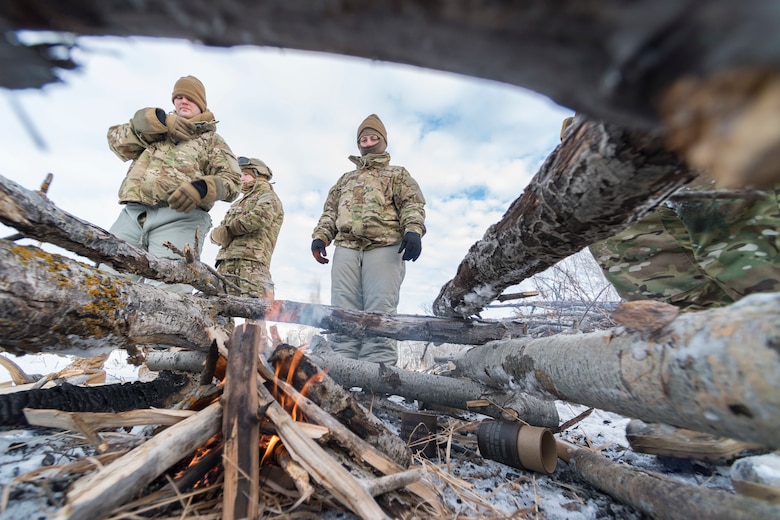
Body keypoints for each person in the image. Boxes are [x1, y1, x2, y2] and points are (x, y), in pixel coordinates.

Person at [562, 115, 780, 458]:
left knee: (737, 227)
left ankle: (768, 385)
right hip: (605, 109)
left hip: (703, 89)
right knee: (632, 239)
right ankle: (717, 394)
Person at [104, 75, 241, 294]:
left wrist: (202, 188)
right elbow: (115, 140)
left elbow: (232, 182)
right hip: (133, 215)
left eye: (190, 98)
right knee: (107, 281)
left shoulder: (213, 141)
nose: (183, 101)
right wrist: (156, 121)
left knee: (168, 292)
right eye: (178, 97)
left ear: (201, 104)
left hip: (180, 218)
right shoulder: (156, 131)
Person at [311, 114, 426, 365]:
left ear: (383, 141)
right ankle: (341, 368)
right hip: (347, 248)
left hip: (384, 248)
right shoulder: (345, 179)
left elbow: (412, 204)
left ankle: (377, 376)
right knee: (342, 311)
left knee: (379, 310)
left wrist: (413, 231)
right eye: (364, 138)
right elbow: (330, 211)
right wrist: (320, 237)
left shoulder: (398, 174)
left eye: (374, 137)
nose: (369, 142)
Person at [210, 157, 284, 300]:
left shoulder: (269, 196)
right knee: (220, 311)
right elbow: (221, 228)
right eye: (239, 175)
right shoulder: (238, 203)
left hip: (252, 264)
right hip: (226, 262)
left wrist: (230, 230)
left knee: (256, 313)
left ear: (258, 175)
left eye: (245, 174)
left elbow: (260, 216)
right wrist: (215, 236)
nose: (241, 178)